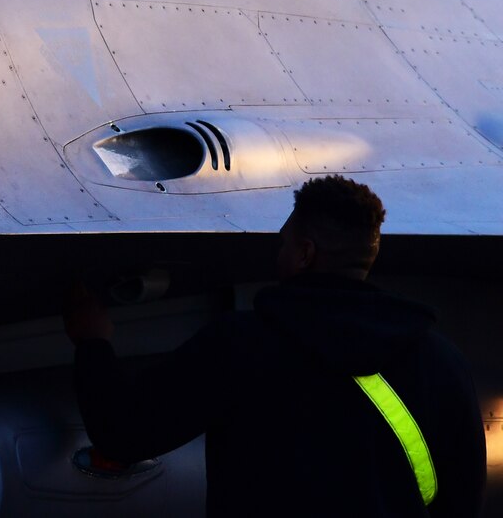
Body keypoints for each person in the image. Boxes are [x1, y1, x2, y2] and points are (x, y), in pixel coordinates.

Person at [65, 175, 484, 517]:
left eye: (283, 242)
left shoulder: (239, 347)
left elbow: (122, 433)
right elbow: (462, 501)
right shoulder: (441, 362)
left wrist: (92, 343)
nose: (278, 251)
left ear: (304, 254)